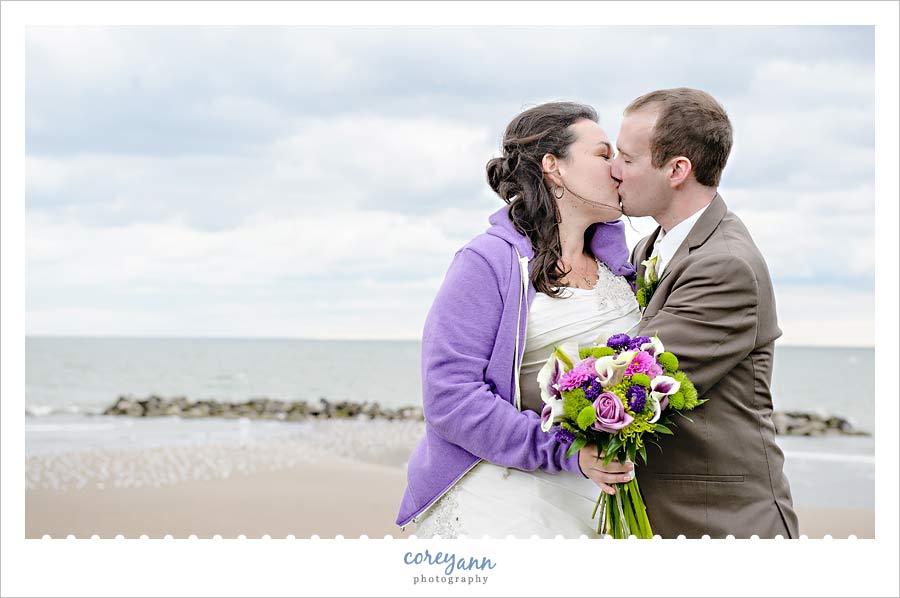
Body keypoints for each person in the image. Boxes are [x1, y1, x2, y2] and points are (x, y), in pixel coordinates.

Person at [396, 102, 641, 537]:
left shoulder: (622, 268)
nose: (619, 168)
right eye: (604, 155)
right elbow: (450, 398)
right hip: (506, 504)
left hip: (599, 502)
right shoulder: (488, 262)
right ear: (554, 167)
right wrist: (568, 451)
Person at [611, 87, 800, 539]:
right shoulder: (648, 248)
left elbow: (628, 381)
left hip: (722, 524)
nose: (613, 171)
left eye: (627, 158)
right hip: (667, 519)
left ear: (677, 170)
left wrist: (492, 389)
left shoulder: (726, 265)